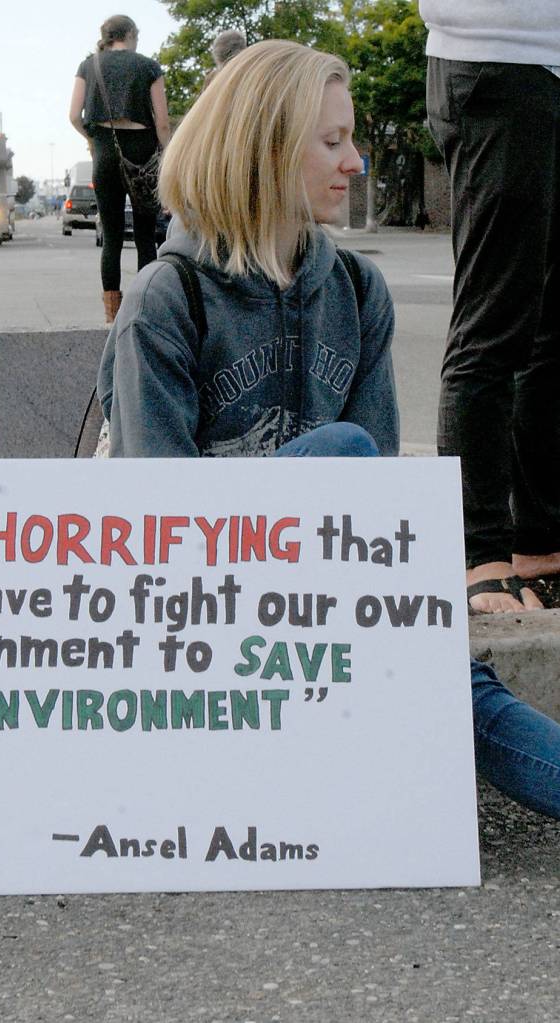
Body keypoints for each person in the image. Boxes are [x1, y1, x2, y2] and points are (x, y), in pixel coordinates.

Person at [97, 39, 560, 819]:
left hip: (322, 611)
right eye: (334, 142)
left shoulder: (356, 288)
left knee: (454, 677)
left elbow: (379, 522)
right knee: (344, 456)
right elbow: (156, 527)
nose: (356, 165)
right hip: (191, 632)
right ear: (266, 149)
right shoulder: (164, 300)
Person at [420, 3, 560, 615]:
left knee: (549, 327)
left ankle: (538, 542)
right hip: (497, 58)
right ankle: (481, 553)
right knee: (493, 323)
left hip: (542, 67)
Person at [69, 14, 171, 324]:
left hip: (104, 151)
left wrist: (92, 140)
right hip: (141, 152)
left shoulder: (89, 65)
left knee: (111, 237)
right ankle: (144, 310)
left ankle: (111, 315)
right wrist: (166, 154)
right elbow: (163, 122)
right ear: (132, 34)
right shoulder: (148, 66)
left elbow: (74, 115)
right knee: (145, 235)